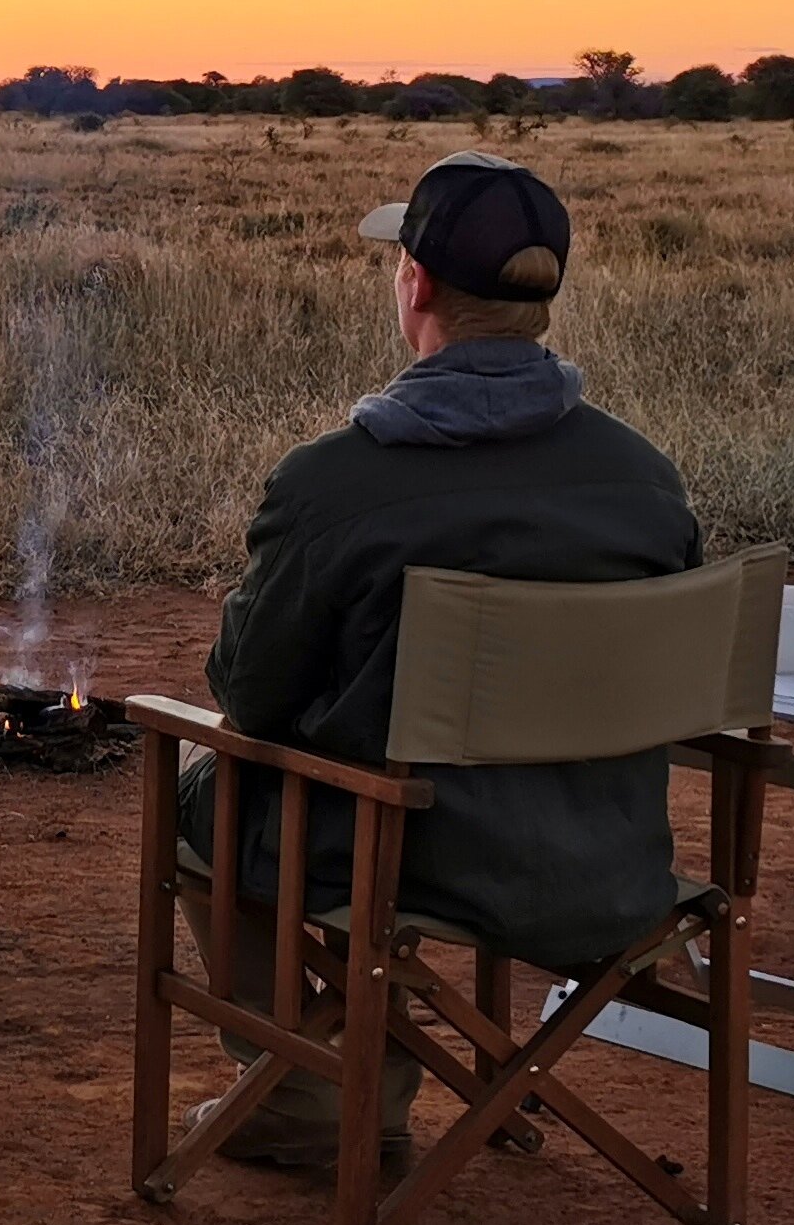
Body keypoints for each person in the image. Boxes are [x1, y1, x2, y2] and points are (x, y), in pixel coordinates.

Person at [181, 149, 700, 1169]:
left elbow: (251, 700)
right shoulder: (645, 477)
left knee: (203, 801)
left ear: (414, 284)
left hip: (409, 857)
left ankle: (314, 1099)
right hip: (610, 866)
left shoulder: (337, 482)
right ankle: (390, 1081)